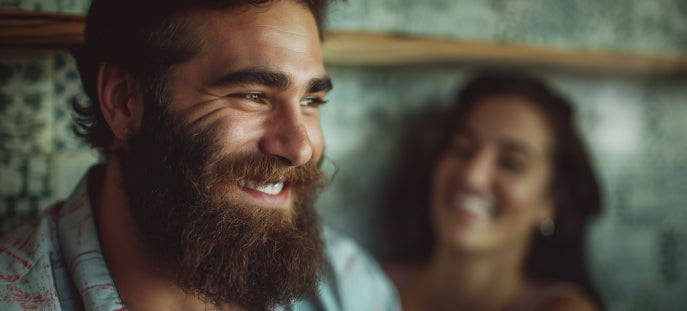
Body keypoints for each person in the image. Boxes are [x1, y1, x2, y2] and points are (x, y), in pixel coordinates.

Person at [0, 0, 399, 310]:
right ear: (124, 102)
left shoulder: (349, 286)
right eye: (253, 96)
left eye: (311, 100)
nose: (301, 148)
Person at [383, 74, 603, 311]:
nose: (472, 176)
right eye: (462, 149)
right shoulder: (357, 282)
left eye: (511, 163)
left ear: (550, 202)